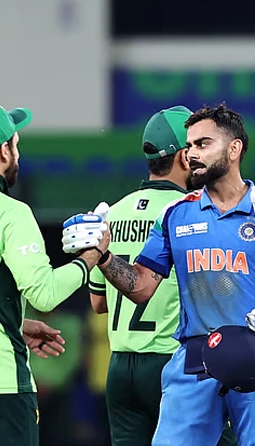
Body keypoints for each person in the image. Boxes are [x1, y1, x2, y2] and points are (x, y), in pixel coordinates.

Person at [65, 103, 255, 446]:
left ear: (234, 148)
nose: (192, 154)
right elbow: (141, 286)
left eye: (203, 144)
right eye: (189, 145)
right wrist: (103, 256)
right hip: (196, 359)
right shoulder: (174, 214)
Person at [0, 100, 108, 446]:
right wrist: (91, 258)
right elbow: (44, 295)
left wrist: (15, 323)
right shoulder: (9, 211)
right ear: (4, 150)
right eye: (15, 144)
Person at [88, 105, 235, 446]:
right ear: (184, 156)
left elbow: (98, 303)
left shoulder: (114, 212)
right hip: (176, 360)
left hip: (120, 367)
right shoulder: (193, 212)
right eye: (196, 147)